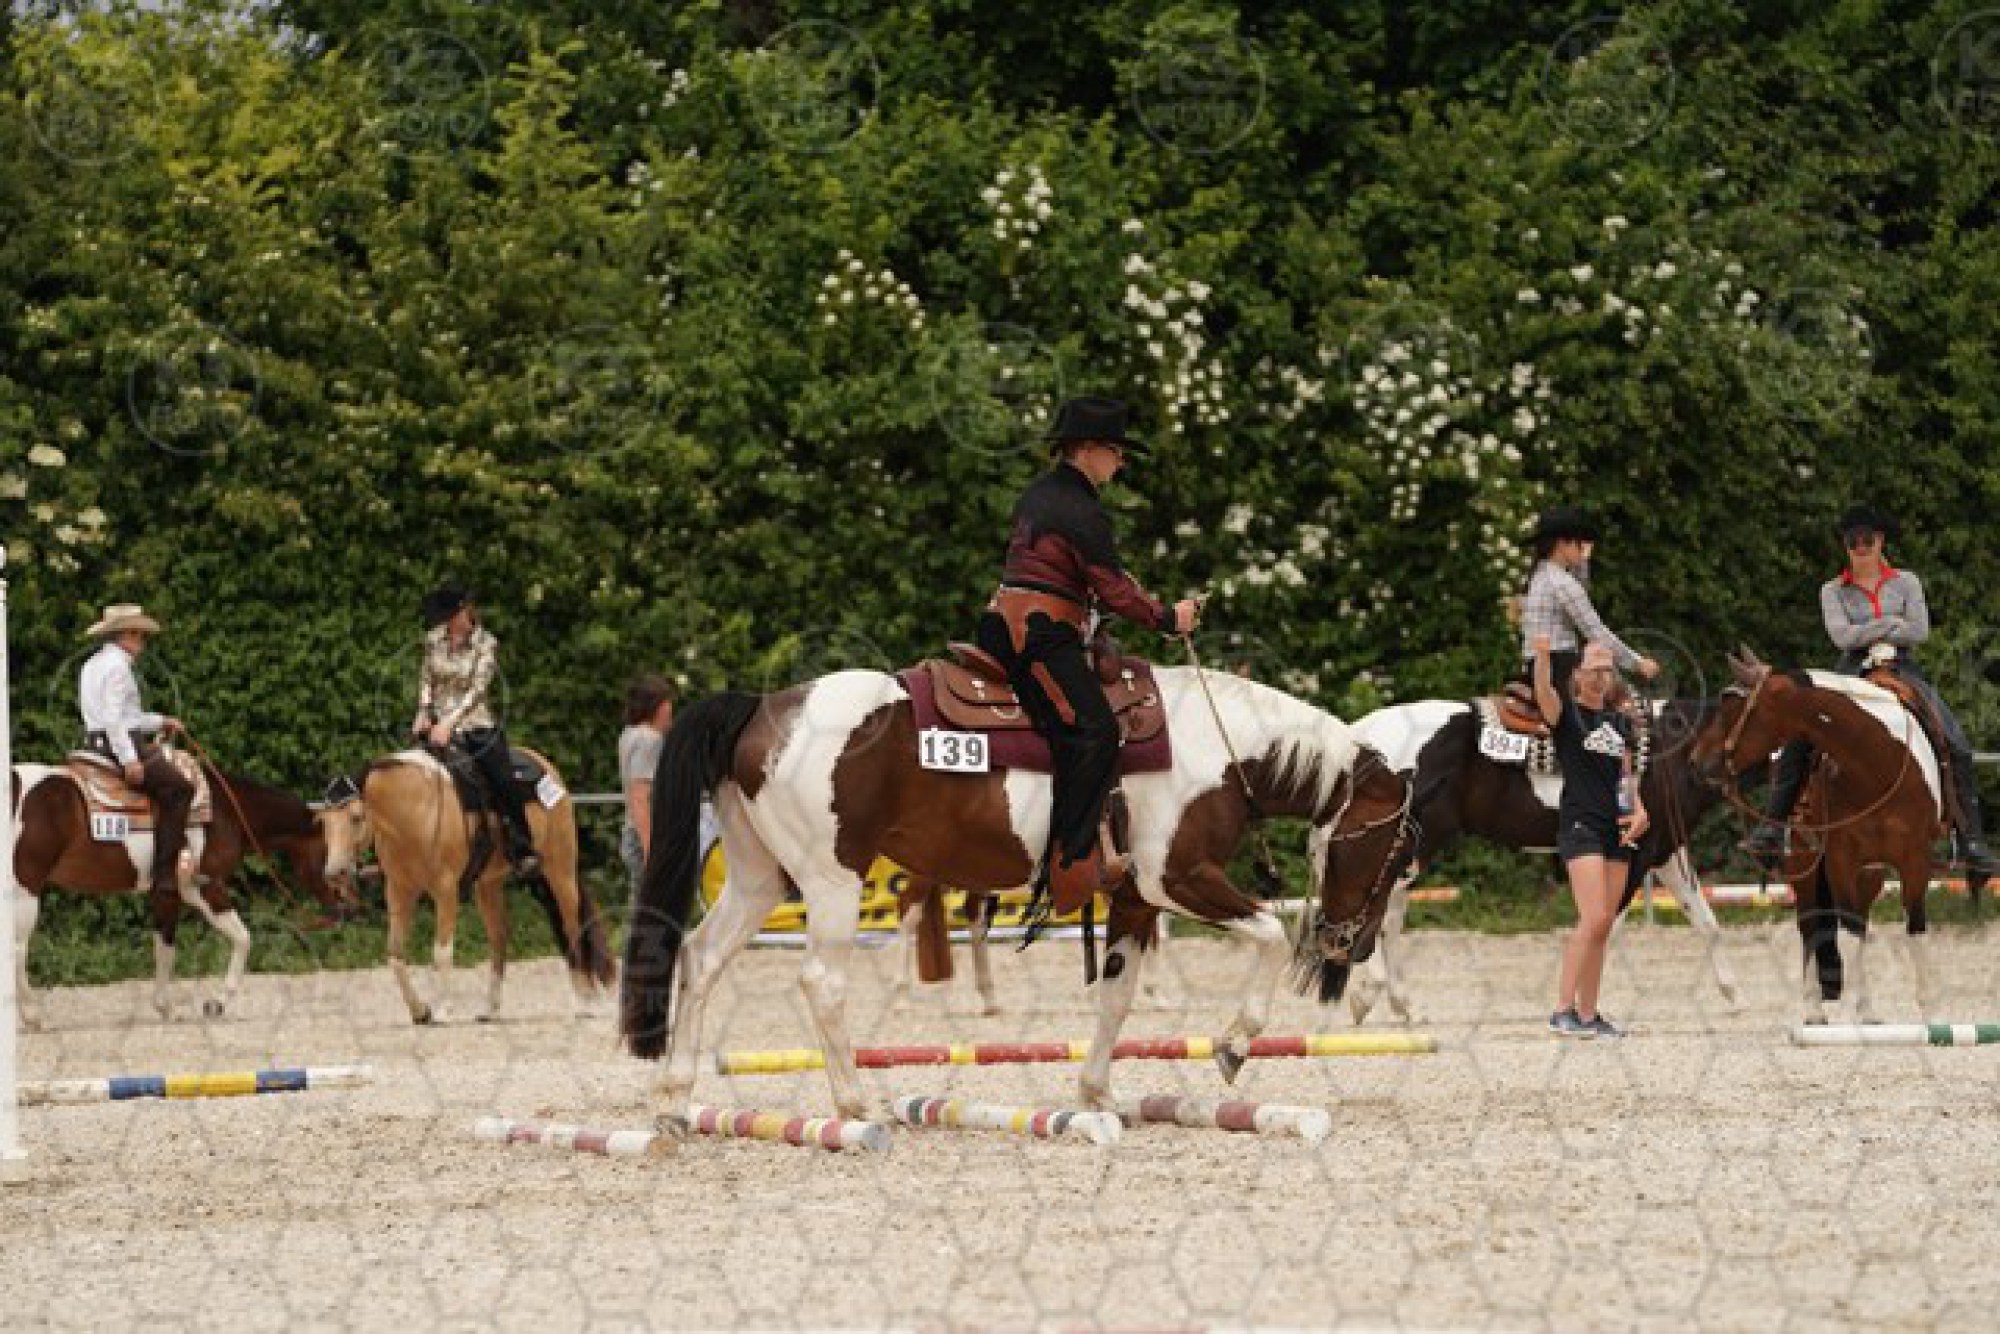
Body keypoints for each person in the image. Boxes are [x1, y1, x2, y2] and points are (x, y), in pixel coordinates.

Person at [974, 395, 1201, 912]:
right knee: (1095, 731)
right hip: (1038, 636)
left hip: (1013, 626)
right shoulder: (1081, 510)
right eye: (1116, 451)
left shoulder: (1041, 495)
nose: (1120, 462)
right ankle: (1070, 860)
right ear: (1089, 449)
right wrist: (1169, 619)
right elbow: (1114, 587)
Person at [1743, 504, 1998, 875]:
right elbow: (1842, 638)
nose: (1861, 547)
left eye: (1867, 540)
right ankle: (1772, 826)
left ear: (1880, 541)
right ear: (1846, 546)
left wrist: (1868, 629)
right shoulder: (1832, 591)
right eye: (1853, 541)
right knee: (1802, 733)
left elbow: (1920, 631)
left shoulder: (1907, 581)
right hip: (1852, 669)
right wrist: (1892, 623)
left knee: (1955, 740)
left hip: (1901, 667)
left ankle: (1971, 838)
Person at [1534, 636, 1646, 1039]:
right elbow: (1543, 691)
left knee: (1604, 925)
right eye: (1594, 668)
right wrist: (1542, 658)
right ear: (1578, 675)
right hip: (1581, 823)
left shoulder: (1620, 723)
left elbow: (1626, 778)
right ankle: (1561, 1010)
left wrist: (1640, 811)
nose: (1601, 676)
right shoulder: (1566, 715)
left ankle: (1587, 1015)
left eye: (1607, 669)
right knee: (1593, 917)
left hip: (1617, 828)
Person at [411, 585, 540, 876]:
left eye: (449, 615)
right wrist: (423, 711)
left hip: (476, 724)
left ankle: (522, 846)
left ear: (463, 612)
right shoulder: (433, 640)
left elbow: (477, 690)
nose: (445, 621)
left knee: (502, 778)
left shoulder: (486, 644)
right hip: (436, 725)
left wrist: (448, 723)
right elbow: (426, 678)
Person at [78, 603, 195, 895]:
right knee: (181, 789)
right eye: (139, 635)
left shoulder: (93, 663)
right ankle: (165, 875)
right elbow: (114, 719)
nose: (142, 641)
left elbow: (125, 716)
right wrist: (129, 759)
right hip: (120, 744)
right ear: (126, 634)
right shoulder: (119, 667)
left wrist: (162, 721)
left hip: (94, 742)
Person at [1517, 506, 1660, 699]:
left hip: (1536, 666)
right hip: (1558, 668)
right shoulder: (1562, 583)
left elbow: (1578, 590)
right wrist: (1638, 663)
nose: (1584, 549)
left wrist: (1582, 560)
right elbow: (1595, 632)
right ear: (1562, 543)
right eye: (1580, 543)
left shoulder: (1540, 575)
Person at [618, 674, 676, 892]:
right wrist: (651, 849)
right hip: (646, 835)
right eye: (666, 702)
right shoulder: (648, 741)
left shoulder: (629, 734)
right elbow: (640, 797)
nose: (670, 708)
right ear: (656, 707)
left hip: (634, 833)